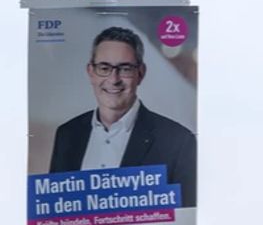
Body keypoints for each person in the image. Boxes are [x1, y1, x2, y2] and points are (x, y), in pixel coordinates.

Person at [49, 26, 196, 205]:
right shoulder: (67, 134)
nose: (114, 79)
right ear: (90, 72)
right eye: (104, 68)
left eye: (125, 69)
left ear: (140, 73)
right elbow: (55, 208)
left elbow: (184, 219)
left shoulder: (178, 141)